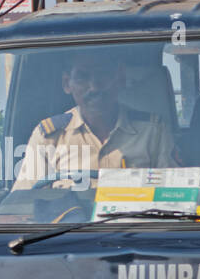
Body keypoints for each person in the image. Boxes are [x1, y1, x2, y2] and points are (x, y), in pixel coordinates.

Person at [13, 51, 174, 190]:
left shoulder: (153, 131)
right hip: (68, 227)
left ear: (120, 78)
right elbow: (24, 205)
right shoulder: (49, 137)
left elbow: (176, 198)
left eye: (103, 74)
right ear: (67, 84)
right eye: (83, 77)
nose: (95, 87)